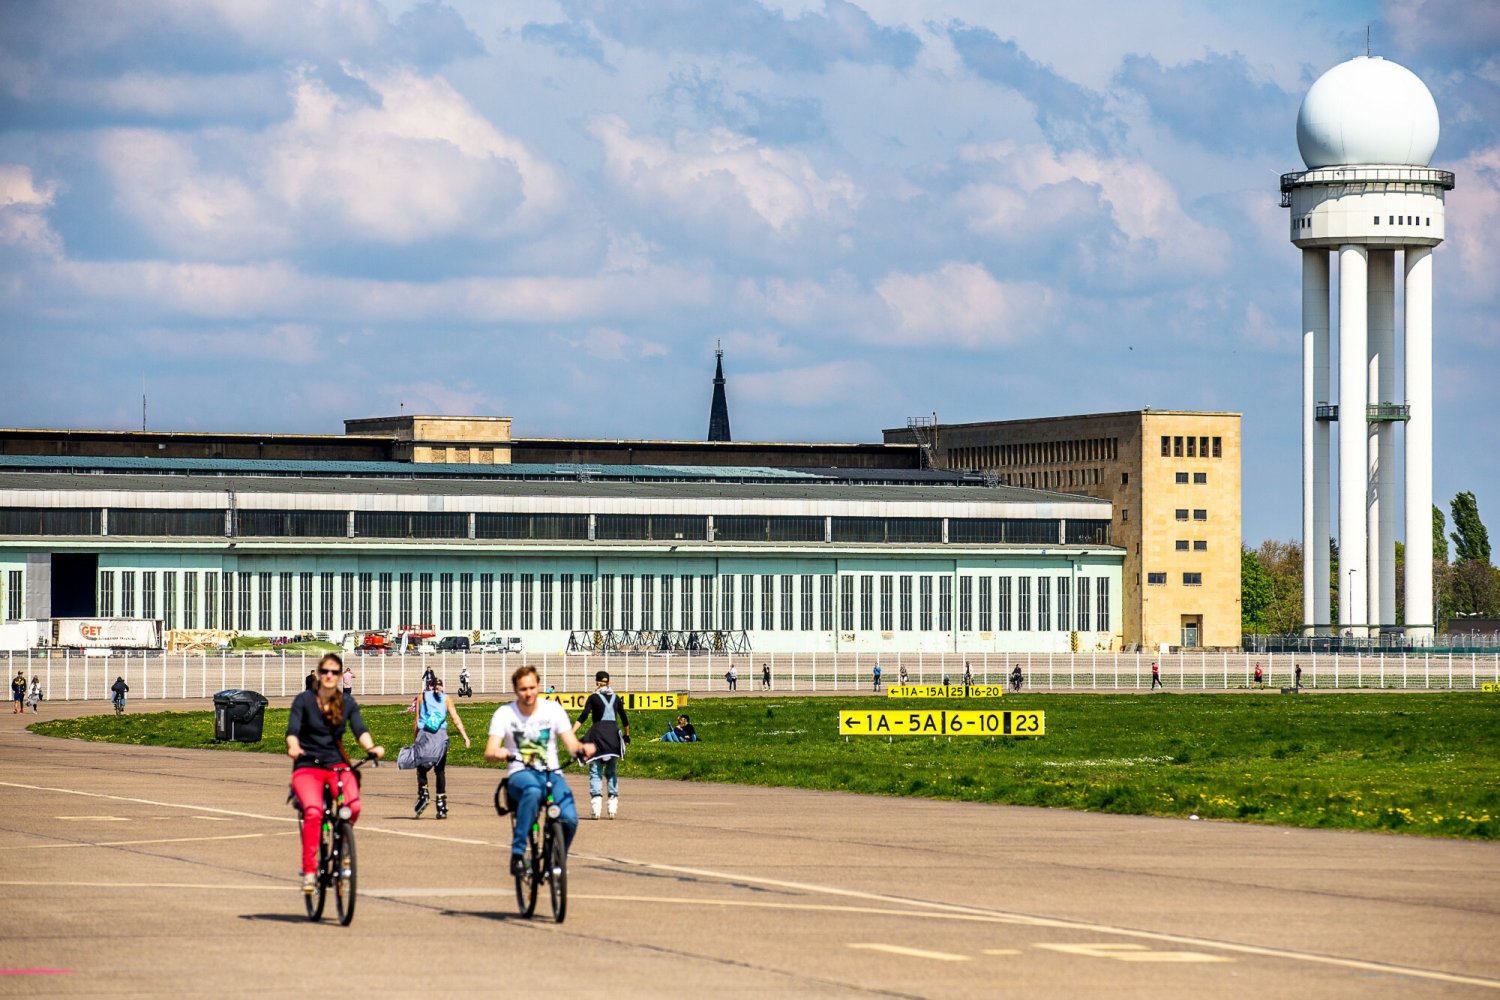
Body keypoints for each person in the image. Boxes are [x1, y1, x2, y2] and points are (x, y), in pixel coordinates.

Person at [286, 653, 385, 893]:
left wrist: (371, 747)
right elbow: (293, 730)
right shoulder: (304, 701)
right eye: (325, 672)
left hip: (337, 765)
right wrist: (294, 746)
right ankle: (309, 870)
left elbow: (360, 729)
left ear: (341, 676)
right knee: (313, 812)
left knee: (354, 806)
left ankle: (343, 845)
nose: (330, 676)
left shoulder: (347, 703)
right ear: (319, 675)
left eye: (334, 672)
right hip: (308, 766)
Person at [486, 665, 594, 876]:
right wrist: (499, 753)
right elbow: (489, 751)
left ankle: (555, 858)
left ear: (539, 686)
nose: (528, 693)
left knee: (570, 818)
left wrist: (581, 749)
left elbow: (570, 743)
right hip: (520, 773)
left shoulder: (552, 710)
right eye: (523, 689)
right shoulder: (505, 714)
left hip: (551, 773)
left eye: (532, 688)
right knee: (533, 792)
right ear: (516, 690)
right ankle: (518, 854)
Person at [573, 671, 629, 820]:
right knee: (611, 771)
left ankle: (596, 807)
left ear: (596, 682)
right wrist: (627, 736)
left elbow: (584, 716)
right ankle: (612, 805)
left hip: (597, 737)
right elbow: (624, 718)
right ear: (609, 682)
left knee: (595, 771)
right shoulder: (616, 698)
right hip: (612, 738)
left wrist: (571, 733)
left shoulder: (593, 698)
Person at [413, 677, 470, 820]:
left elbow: (417, 719)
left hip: (425, 736)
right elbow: (455, 718)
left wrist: (415, 739)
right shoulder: (446, 699)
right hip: (441, 737)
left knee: (421, 768)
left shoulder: (421, 697)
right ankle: (441, 805)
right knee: (440, 771)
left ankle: (424, 793)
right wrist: (465, 736)